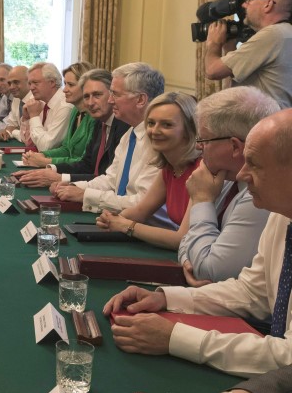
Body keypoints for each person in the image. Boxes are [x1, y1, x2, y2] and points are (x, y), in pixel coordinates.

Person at [103, 108, 292, 377]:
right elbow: (252, 292)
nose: (241, 174)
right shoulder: (281, 213)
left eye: (256, 165)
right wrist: (165, 298)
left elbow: (288, 358)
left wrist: (176, 338)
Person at [178, 86, 278, 285]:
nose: (198, 147)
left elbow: (211, 271)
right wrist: (187, 260)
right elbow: (185, 242)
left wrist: (202, 201)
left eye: (203, 139)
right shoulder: (223, 177)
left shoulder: (260, 193)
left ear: (234, 147)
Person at [51, 62, 166, 217]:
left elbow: (141, 203)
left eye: (116, 94)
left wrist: (84, 195)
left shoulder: (160, 141)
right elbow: (111, 180)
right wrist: (71, 186)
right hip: (121, 222)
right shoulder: (131, 133)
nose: (111, 101)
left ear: (140, 100)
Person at [95, 92, 201, 249]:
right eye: (151, 123)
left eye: (167, 125)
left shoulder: (201, 170)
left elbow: (182, 239)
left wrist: (127, 226)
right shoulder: (168, 167)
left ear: (188, 130)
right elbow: (140, 211)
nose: (154, 131)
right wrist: (111, 218)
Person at [15, 69, 129, 187]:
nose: (90, 103)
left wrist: (60, 177)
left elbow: (108, 178)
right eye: (86, 96)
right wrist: (50, 169)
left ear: (112, 96)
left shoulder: (123, 126)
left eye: (97, 95)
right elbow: (87, 163)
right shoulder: (100, 123)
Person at [205, 0, 292, 108]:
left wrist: (213, 43)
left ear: (267, 4)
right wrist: (230, 48)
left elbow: (212, 71)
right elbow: (239, 85)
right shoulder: (285, 33)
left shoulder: (273, 35)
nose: (244, 5)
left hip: (263, 124)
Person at [19, 62, 95, 168]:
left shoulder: (91, 116)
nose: (64, 89)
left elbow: (85, 161)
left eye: (71, 85)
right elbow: (66, 148)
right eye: (65, 84)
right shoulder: (76, 111)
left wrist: (46, 160)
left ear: (87, 87)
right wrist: (42, 155)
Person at [0, 66, 33, 141]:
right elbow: (11, 124)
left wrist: (13, 132)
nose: (11, 87)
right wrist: (6, 131)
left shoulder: (36, 100)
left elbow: (30, 136)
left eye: (16, 82)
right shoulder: (16, 99)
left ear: (29, 82)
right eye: (9, 83)